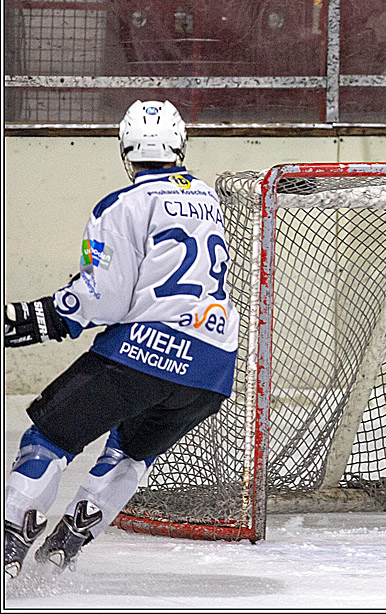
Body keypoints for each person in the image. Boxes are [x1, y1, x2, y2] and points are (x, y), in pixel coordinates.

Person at [3, 100, 240, 578]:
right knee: (129, 452)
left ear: (124, 151)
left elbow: (104, 299)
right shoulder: (209, 201)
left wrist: (32, 319)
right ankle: (62, 551)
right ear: (180, 146)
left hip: (143, 354)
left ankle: (8, 552)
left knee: (48, 440)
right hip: (212, 369)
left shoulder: (121, 205)